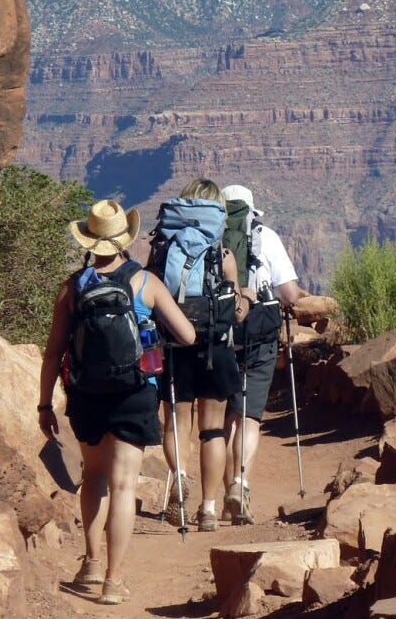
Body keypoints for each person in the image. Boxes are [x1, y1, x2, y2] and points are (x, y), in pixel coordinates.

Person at [38, 199, 196, 605]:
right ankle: (113, 580)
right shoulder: (145, 282)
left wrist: (44, 405)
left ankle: (91, 562)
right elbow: (189, 335)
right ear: (124, 239)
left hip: (87, 395)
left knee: (93, 477)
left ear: (89, 240)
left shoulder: (72, 287)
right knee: (124, 484)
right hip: (134, 393)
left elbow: (53, 351)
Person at [158, 178, 249, 532]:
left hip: (174, 345)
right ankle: (208, 509)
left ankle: (179, 474)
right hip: (215, 347)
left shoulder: (164, 250)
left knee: (176, 423)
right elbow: (237, 311)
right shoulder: (223, 255)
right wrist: (243, 301)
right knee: (212, 430)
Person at [220, 184, 310, 525]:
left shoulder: (212, 236)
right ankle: (240, 485)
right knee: (248, 416)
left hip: (219, 331)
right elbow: (288, 293)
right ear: (251, 209)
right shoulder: (265, 235)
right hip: (259, 330)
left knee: (227, 415)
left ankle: (217, 497)